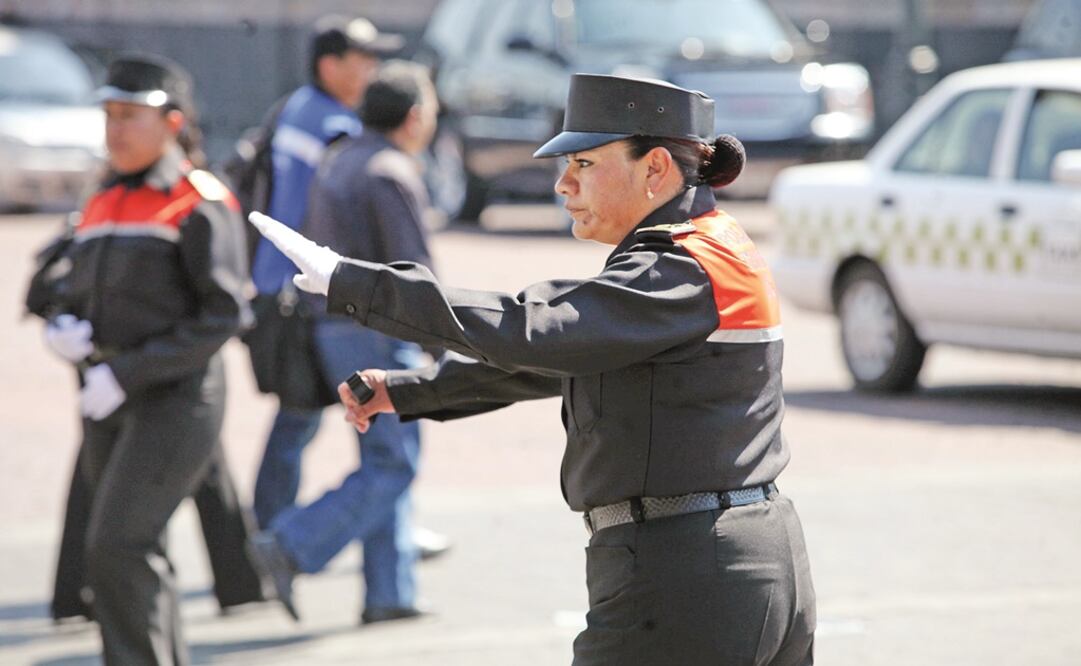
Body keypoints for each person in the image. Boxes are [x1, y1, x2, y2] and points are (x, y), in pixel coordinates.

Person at [251, 73, 816, 664]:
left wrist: (352, 281)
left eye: (584, 164)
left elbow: (535, 329)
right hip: (733, 557)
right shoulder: (707, 246)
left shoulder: (676, 267)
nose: (562, 184)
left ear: (654, 169)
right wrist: (411, 391)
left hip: (685, 575)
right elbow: (568, 361)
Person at [25, 54, 253, 665]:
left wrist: (125, 371)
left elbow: (225, 315)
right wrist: (63, 329)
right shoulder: (102, 199)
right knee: (130, 556)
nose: (115, 129)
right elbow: (72, 286)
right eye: (108, 115)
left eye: (130, 115)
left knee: (116, 548)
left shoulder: (197, 199)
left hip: (175, 397)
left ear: (172, 123)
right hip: (106, 392)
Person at [249, 60, 440, 625]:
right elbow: (416, 273)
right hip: (380, 336)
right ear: (413, 117)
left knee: (382, 456)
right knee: (393, 464)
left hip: (334, 327)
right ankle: (291, 543)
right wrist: (441, 340)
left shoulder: (341, 159)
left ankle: (390, 590)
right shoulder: (390, 170)